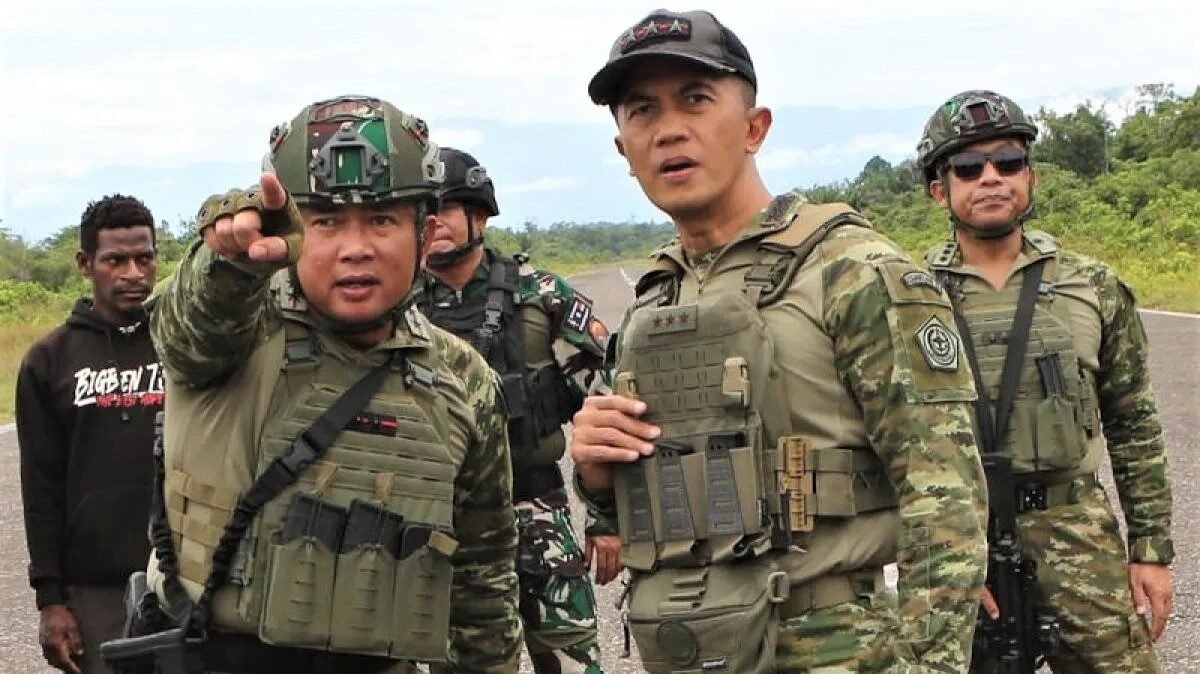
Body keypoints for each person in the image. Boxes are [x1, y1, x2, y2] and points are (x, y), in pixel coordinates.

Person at [569, 9, 989, 673]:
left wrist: (929, 663)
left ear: (754, 127)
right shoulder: (657, 299)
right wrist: (593, 466)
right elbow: (625, 500)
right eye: (641, 110)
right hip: (690, 644)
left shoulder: (852, 269)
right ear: (624, 150)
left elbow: (947, 499)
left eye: (696, 99)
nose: (669, 128)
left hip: (836, 646)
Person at [130, 95, 521, 674]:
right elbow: (186, 329)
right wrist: (228, 265)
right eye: (325, 222)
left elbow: (482, 577)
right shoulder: (238, 326)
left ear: (427, 231)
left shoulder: (463, 380)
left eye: (382, 220)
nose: (354, 247)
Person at [916, 89, 1174, 673]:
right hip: (962, 539)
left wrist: (1151, 550)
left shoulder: (1092, 286)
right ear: (940, 189)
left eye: (1008, 163)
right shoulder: (909, 297)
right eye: (967, 167)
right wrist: (931, 558)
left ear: (1030, 177)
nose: (990, 179)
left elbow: (1133, 422)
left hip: (1076, 528)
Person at [412, 147, 613, 674]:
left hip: (537, 510)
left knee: (570, 662)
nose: (433, 224)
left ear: (478, 214)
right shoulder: (398, 310)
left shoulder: (540, 296)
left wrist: (608, 516)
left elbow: (609, 403)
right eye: (422, 212)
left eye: (446, 209)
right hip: (440, 529)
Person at [16, 194, 163, 674]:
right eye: (115, 260)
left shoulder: (185, 347)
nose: (133, 273)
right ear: (85, 263)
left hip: (186, 581)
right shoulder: (48, 361)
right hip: (95, 591)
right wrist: (51, 600)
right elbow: (40, 488)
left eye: (144, 258)